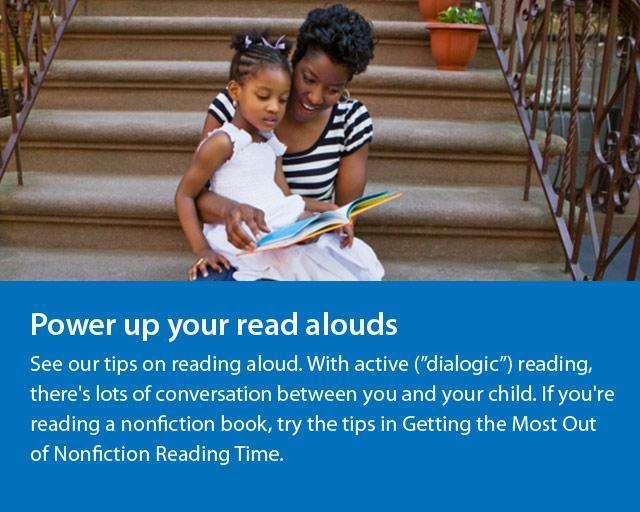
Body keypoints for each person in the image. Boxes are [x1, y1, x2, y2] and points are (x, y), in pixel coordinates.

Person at [175, 31, 383, 281]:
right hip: (241, 239)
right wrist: (202, 250)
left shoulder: (270, 144)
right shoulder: (223, 141)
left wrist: (329, 210)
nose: (274, 107)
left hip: (274, 234)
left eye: (283, 100)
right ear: (235, 91)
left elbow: (285, 198)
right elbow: (186, 194)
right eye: (264, 97)